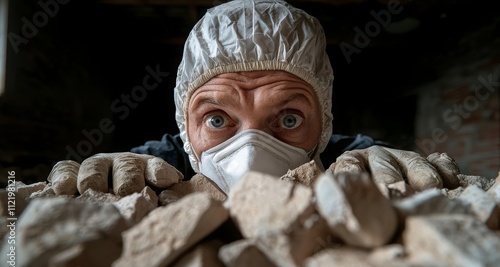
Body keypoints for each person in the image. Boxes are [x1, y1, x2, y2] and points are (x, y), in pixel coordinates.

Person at [54, 0, 460, 195]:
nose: (249, 154)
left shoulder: (349, 160)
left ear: (324, 121)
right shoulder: (161, 164)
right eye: (216, 119)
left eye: (288, 119)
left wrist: (395, 171)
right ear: (184, 124)